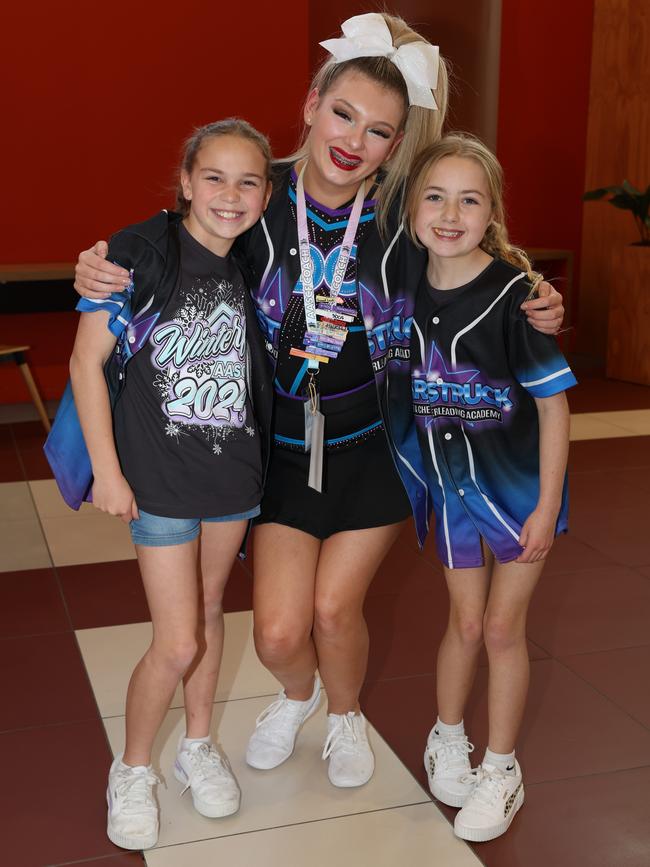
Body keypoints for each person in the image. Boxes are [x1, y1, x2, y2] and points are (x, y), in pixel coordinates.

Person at [71, 13, 564, 791]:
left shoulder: (403, 219)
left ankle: (344, 714)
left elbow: (475, 246)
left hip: (373, 448)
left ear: (394, 145)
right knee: (274, 632)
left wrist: (536, 298)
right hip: (274, 452)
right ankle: (296, 692)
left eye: (378, 131)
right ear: (309, 105)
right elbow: (168, 238)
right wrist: (100, 269)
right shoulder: (252, 199)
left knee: (336, 612)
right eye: (343, 114)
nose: (353, 140)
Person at [68, 119, 273, 849]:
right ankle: (131, 768)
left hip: (233, 475)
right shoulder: (138, 252)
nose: (230, 194)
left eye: (248, 180)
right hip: (156, 482)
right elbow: (85, 363)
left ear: (265, 194)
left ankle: (197, 743)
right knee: (177, 639)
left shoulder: (256, 261)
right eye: (214, 177)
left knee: (214, 609)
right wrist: (110, 472)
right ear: (185, 182)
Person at [404, 133, 574, 841]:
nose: (450, 213)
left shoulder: (517, 297)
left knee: (504, 628)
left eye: (469, 199)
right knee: (465, 623)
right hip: (449, 495)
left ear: (492, 211)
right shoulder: (398, 287)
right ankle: (448, 735)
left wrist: (545, 506)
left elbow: (553, 406)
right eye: (434, 196)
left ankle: (501, 766)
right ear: (410, 209)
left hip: (518, 494)